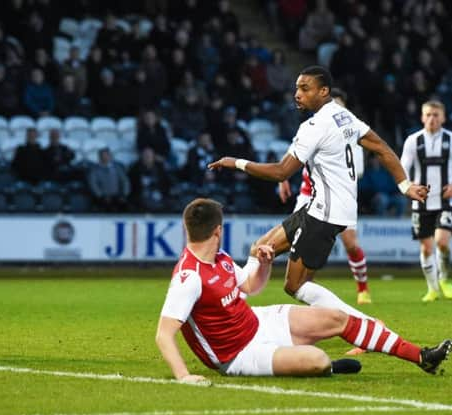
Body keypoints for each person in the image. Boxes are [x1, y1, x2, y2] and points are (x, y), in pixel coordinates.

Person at [207, 66, 428, 322]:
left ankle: (367, 325)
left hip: (325, 213)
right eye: (297, 88)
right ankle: (233, 315)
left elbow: (281, 172)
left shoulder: (315, 126)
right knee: (260, 248)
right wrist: (405, 186)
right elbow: (382, 148)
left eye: (304, 88)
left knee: (295, 286)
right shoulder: (344, 117)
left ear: (323, 91)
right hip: (320, 206)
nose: (297, 94)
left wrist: (236, 162)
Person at [156, 198, 450, 381]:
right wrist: (183, 376)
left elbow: (249, 287)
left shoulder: (219, 259)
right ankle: (328, 366)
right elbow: (163, 334)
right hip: (238, 355)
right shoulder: (189, 277)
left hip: (258, 321)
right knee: (318, 361)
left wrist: (265, 265)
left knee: (335, 317)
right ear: (217, 230)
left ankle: (421, 356)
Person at [278, 88, 372, 305]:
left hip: (338, 198)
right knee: (297, 247)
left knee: (351, 244)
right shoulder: (312, 128)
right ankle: (305, 291)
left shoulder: (351, 138)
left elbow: (357, 172)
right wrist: (282, 179)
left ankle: (363, 289)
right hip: (306, 196)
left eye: (339, 107)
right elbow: (292, 153)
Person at [401, 100, 452, 302]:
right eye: (428, 115)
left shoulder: (450, 139)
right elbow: (402, 166)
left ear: (444, 117)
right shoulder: (413, 141)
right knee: (426, 248)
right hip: (420, 202)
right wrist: (409, 186)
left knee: (441, 242)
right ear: (422, 117)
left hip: (445, 200)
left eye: (436, 115)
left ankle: (445, 280)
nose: (432, 118)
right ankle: (432, 289)